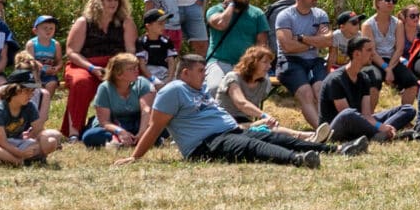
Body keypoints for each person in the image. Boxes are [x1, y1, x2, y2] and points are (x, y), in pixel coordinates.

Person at [131, 51, 325, 166]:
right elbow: (154, 127)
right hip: (204, 145)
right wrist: (134, 157)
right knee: (252, 147)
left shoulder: (201, 90)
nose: (204, 76)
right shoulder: (173, 90)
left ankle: (337, 149)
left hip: (229, 133)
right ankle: (298, 160)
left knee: (271, 136)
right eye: (200, 72)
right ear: (185, 73)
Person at [61, 0, 137, 138]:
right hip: (84, 64)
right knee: (80, 82)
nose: (113, 3)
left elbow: (131, 51)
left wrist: (119, 68)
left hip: (116, 64)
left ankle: (134, 125)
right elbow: (71, 52)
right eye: (109, 0)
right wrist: (91, 68)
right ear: (98, 2)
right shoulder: (84, 22)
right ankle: (74, 131)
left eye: (116, 0)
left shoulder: (126, 22)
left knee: (136, 78)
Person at [272, 0, 332, 126]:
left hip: (314, 61)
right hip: (289, 61)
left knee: (320, 91)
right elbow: (287, 46)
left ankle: (330, 127)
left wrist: (301, 38)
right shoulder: (285, 16)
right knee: (306, 93)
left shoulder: (320, 14)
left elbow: (328, 41)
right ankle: (323, 131)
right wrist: (315, 41)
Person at [314, 37, 392, 147]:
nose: (373, 54)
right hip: (336, 128)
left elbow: (366, 114)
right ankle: (379, 133)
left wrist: (379, 124)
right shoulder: (335, 80)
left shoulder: (364, 78)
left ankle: (385, 131)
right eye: (369, 50)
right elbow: (346, 115)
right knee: (349, 113)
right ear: (356, 54)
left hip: (359, 120)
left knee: (407, 109)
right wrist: (378, 126)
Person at [204, 0, 272, 87]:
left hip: (246, 65)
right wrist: (232, 5)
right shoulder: (214, 10)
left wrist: (254, 66)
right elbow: (221, 24)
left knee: (264, 85)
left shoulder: (257, 14)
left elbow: (261, 45)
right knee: (215, 87)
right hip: (220, 62)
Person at [0, 77, 63, 165]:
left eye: (32, 91)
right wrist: (20, 153)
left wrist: (43, 140)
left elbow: (39, 130)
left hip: (17, 142)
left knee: (51, 142)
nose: (30, 95)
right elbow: (1, 141)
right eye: (27, 91)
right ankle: (18, 160)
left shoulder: (30, 106)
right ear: (14, 91)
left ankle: (6, 160)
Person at [80, 53, 154, 149]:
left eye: (136, 67)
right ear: (118, 74)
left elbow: (146, 110)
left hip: (137, 123)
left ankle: (128, 141)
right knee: (89, 136)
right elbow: (104, 121)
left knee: (161, 129)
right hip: (112, 125)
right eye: (131, 69)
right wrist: (120, 132)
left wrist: (142, 133)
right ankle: (118, 139)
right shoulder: (105, 88)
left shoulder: (142, 83)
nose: (137, 71)